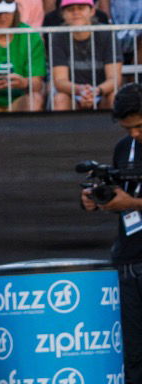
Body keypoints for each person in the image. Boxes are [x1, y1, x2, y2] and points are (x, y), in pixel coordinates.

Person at [80, 82, 142, 383]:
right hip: (129, 261)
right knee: (133, 354)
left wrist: (134, 203)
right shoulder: (123, 148)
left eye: (139, 126)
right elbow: (120, 195)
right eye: (127, 128)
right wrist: (96, 200)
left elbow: (131, 200)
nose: (134, 133)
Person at [52, 0, 122, 110]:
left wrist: (96, 91)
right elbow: (60, 81)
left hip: (102, 92)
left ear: (92, 11)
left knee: (114, 96)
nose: (76, 13)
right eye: (70, 9)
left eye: (81, 8)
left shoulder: (106, 33)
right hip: (73, 93)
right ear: (63, 14)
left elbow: (114, 79)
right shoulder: (59, 36)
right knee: (60, 99)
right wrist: (80, 90)